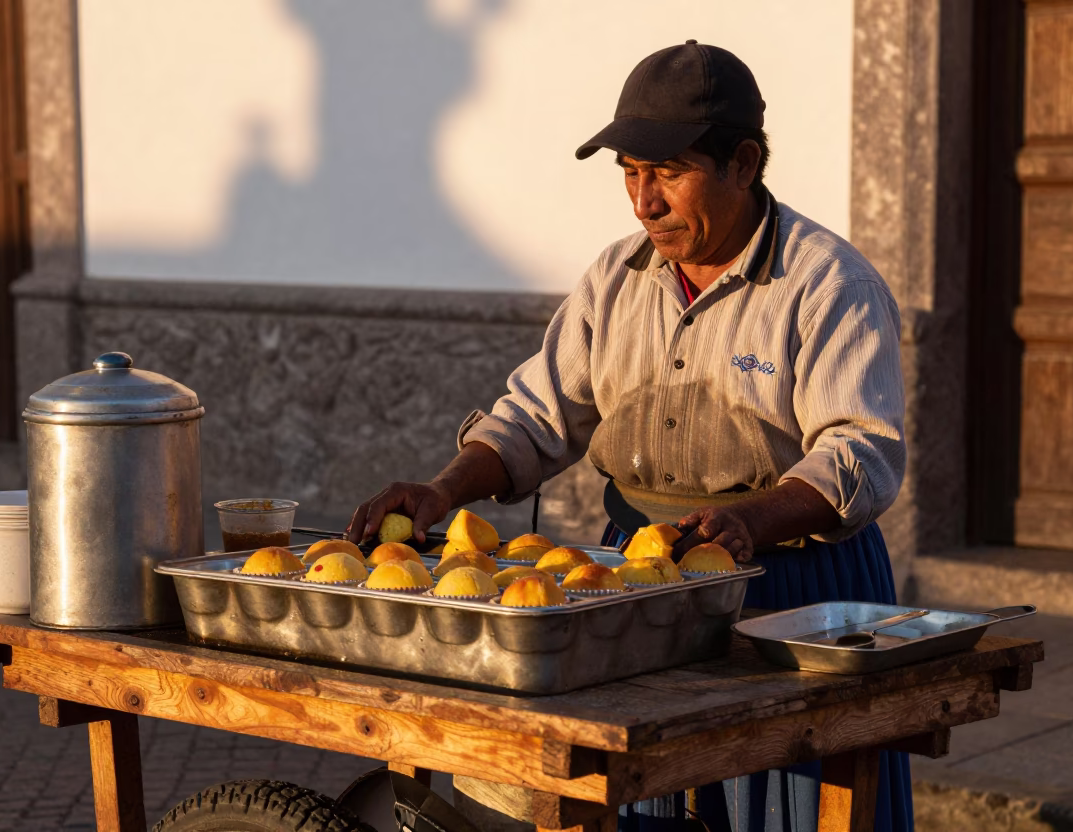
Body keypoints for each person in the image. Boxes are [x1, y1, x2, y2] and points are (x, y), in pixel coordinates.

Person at [348, 42, 912, 832]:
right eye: (630, 174)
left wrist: (753, 519)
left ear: (743, 164)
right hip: (641, 579)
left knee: (784, 805)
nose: (643, 201)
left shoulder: (827, 285)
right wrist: (443, 489)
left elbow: (861, 451)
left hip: (793, 587)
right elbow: (537, 415)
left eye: (668, 172)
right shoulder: (616, 279)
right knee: (639, 793)